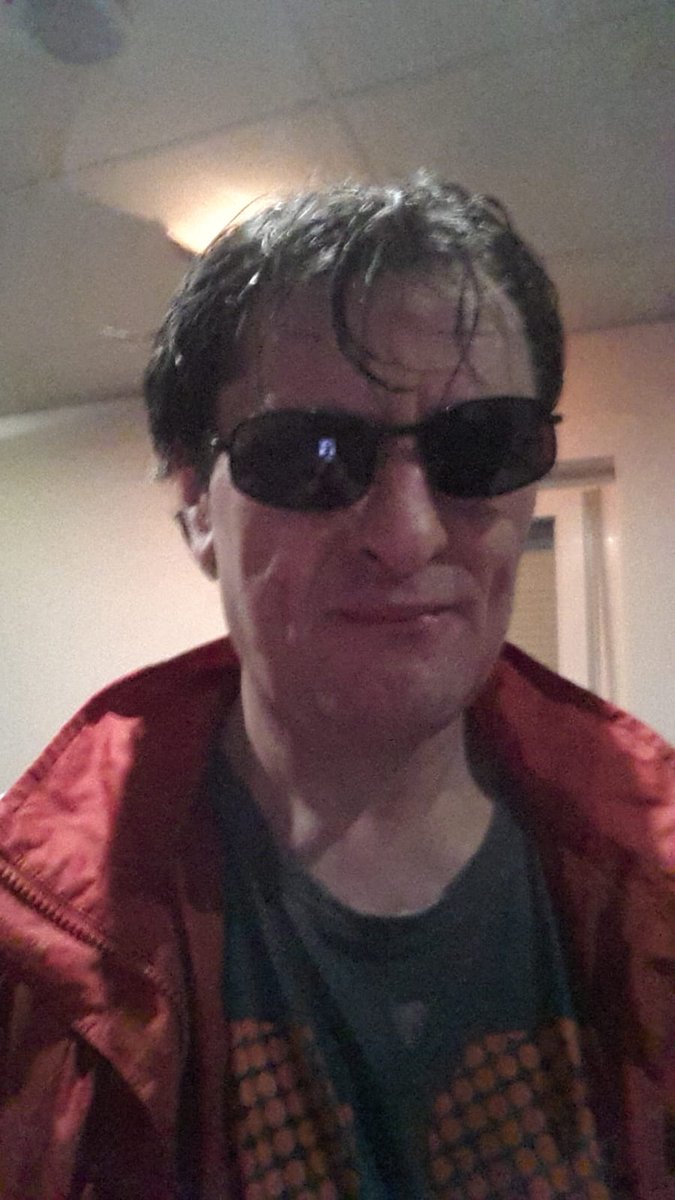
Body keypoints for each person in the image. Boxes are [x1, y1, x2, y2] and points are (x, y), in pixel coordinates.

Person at [0, 177, 673, 1200]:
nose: (407, 536)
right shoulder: (26, 962)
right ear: (195, 503)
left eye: (479, 445)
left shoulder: (655, 890)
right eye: (309, 454)